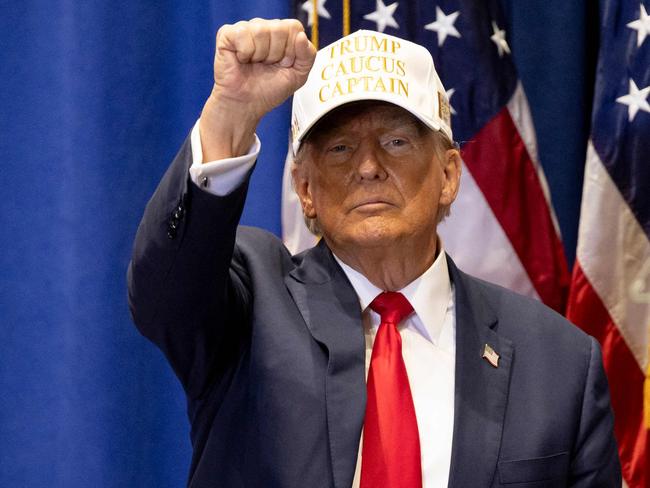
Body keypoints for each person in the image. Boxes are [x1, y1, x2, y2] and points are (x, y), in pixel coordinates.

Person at [128, 18, 621, 488]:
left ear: (449, 175)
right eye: (340, 148)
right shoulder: (249, 306)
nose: (368, 166)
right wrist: (229, 116)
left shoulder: (558, 362)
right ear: (304, 189)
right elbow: (165, 290)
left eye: (396, 140)